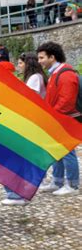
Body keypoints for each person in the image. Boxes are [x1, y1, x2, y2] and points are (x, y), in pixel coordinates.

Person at [2, 53, 47, 205]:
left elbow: (30, 98)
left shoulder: (34, 78)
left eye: (21, 63)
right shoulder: (37, 77)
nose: (19, 66)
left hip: (30, 121)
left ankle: (18, 193)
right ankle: (23, 189)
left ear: (27, 63)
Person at [37, 42, 80, 196]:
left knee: (67, 151)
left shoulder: (65, 74)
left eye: (42, 57)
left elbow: (66, 101)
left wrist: (52, 116)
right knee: (57, 150)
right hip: (59, 118)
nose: (39, 61)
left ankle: (73, 185)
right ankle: (57, 181)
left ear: (52, 57)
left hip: (64, 119)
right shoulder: (56, 73)